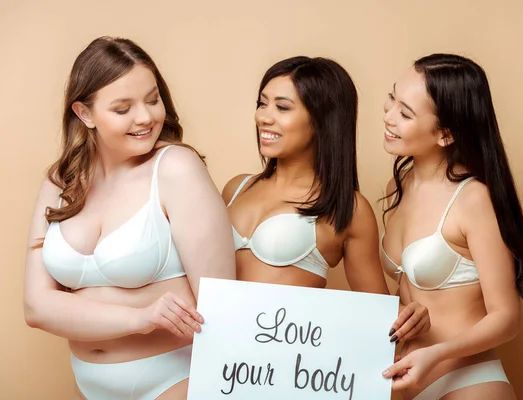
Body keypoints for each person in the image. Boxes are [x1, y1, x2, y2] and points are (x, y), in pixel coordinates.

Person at [23, 36, 235, 399]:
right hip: (88, 384)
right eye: (123, 108)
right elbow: (36, 306)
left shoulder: (176, 170)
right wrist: (140, 317)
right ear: (84, 113)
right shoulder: (61, 182)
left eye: (153, 100)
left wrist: (84, 310)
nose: (146, 117)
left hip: (173, 379)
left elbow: (222, 306)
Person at [222, 56, 431, 347]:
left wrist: (412, 317)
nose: (263, 117)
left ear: (321, 120)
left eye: (282, 107)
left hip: (279, 371)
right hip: (221, 363)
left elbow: (377, 312)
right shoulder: (235, 188)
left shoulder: (346, 209)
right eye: (262, 103)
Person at [379, 53, 523, 399]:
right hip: (405, 385)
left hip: (468, 383)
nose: (388, 116)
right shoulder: (398, 187)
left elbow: (506, 317)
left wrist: (435, 353)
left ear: (446, 134)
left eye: (405, 112)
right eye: (392, 99)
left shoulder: (473, 200)